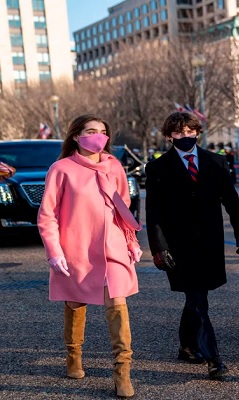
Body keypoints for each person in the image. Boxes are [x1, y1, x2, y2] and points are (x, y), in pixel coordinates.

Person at [37, 115, 142, 398]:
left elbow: (122, 208)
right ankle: (73, 356)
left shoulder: (114, 166)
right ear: (76, 136)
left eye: (103, 132)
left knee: (117, 304)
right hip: (77, 249)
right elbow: (47, 216)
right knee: (75, 303)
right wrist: (54, 251)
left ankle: (122, 372)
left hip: (113, 248)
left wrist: (131, 241)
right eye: (91, 131)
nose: (99, 136)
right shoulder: (62, 169)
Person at [145, 112, 239, 380]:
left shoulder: (216, 161)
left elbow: (231, 200)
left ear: (198, 132)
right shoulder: (157, 167)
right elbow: (153, 213)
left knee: (197, 297)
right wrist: (158, 247)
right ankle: (213, 358)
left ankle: (187, 344)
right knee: (197, 299)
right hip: (178, 245)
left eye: (189, 131)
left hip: (209, 242)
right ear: (170, 136)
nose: (184, 137)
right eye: (178, 133)